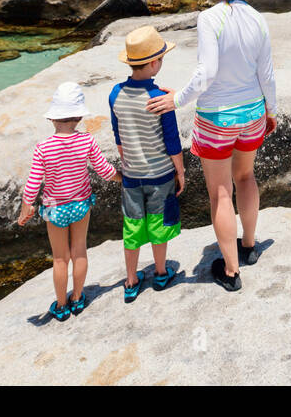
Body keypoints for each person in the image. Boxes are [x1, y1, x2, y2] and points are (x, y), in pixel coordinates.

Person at [147, 0, 276, 292]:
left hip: (217, 118)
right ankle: (249, 245)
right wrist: (271, 110)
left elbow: (207, 73)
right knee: (246, 177)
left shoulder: (209, 18)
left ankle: (231, 271)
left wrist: (177, 99)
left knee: (220, 192)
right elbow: (267, 74)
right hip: (252, 113)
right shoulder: (258, 18)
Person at [18, 82, 118, 322]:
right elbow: (104, 171)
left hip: (55, 209)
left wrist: (25, 209)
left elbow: (33, 184)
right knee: (79, 251)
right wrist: (122, 177)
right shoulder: (87, 141)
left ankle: (61, 305)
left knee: (60, 258)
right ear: (79, 117)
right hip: (81, 204)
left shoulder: (43, 148)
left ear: (53, 119)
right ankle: (78, 298)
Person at [109, 25, 186, 303]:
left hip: (131, 176)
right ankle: (161, 272)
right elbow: (172, 142)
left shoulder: (115, 94)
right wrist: (181, 171)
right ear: (154, 63)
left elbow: (118, 137)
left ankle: (131, 280)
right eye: (161, 59)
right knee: (158, 224)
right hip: (160, 175)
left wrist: (127, 161)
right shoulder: (159, 99)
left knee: (132, 227)